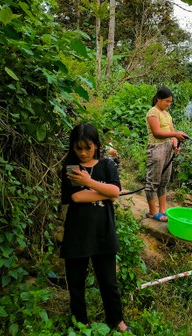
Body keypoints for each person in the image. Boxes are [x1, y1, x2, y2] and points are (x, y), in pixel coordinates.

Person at [60, 123, 132, 333]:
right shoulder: (70, 169)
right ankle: (80, 323)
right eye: (78, 148)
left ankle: (117, 320)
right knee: (76, 284)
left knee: (109, 283)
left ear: (97, 146)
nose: (83, 153)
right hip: (77, 233)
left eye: (87, 148)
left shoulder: (106, 165)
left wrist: (89, 181)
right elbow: (75, 196)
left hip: (103, 233)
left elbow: (115, 191)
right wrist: (106, 192)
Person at [144, 87, 187, 222]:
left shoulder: (167, 115)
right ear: (159, 99)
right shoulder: (153, 113)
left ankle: (162, 210)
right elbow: (157, 132)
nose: (168, 104)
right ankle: (152, 212)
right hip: (156, 149)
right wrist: (175, 134)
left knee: (164, 182)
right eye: (166, 101)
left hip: (168, 149)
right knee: (153, 182)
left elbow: (171, 131)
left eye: (170, 102)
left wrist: (175, 144)